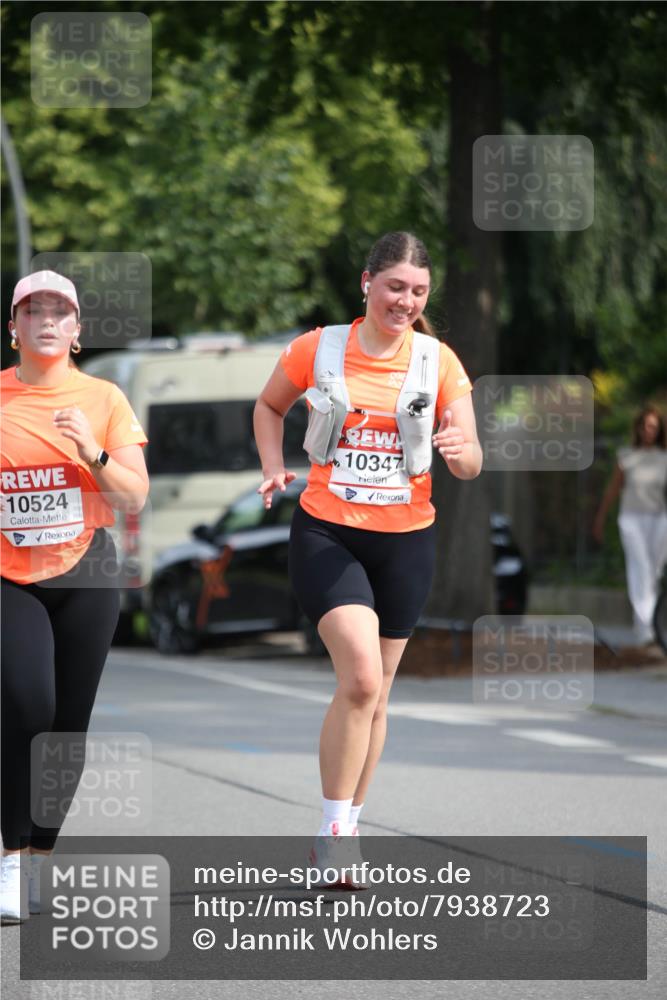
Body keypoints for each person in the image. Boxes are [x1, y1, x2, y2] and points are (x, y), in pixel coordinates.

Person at [253, 232, 482, 884]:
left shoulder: (438, 361)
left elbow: (470, 460)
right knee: (357, 680)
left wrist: (457, 450)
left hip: (407, 540)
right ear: (366, 283)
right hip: (328, 532)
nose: (404, 301)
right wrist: (273, 467)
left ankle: (347, 823)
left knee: (376, 699)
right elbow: (269, 406)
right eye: (393, 287)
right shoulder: (317, 348)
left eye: (416, 291)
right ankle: (332, 832)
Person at [0, 270, 149, 922]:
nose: (48, 319)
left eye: (61, 310)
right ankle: (9, 858)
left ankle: (40, 863)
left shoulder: (104, 398)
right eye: (34, 310)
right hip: (9, 575)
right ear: (14, 327)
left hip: (86, 571)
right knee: (28, 704)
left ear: (78, 330)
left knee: (66, 729)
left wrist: (93, 453)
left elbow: (133, 496)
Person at [593, 406, 667, 647]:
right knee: (641, 568)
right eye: (645, 426)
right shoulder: (627, 456)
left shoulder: (663, 458)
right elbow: (613, 490)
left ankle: (648, 625)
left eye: (654, 427)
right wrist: (600, 519)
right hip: (632, 519)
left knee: (654, 571)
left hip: (658, 518)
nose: (649, 431)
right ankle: (646, 628)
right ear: (638, 428)